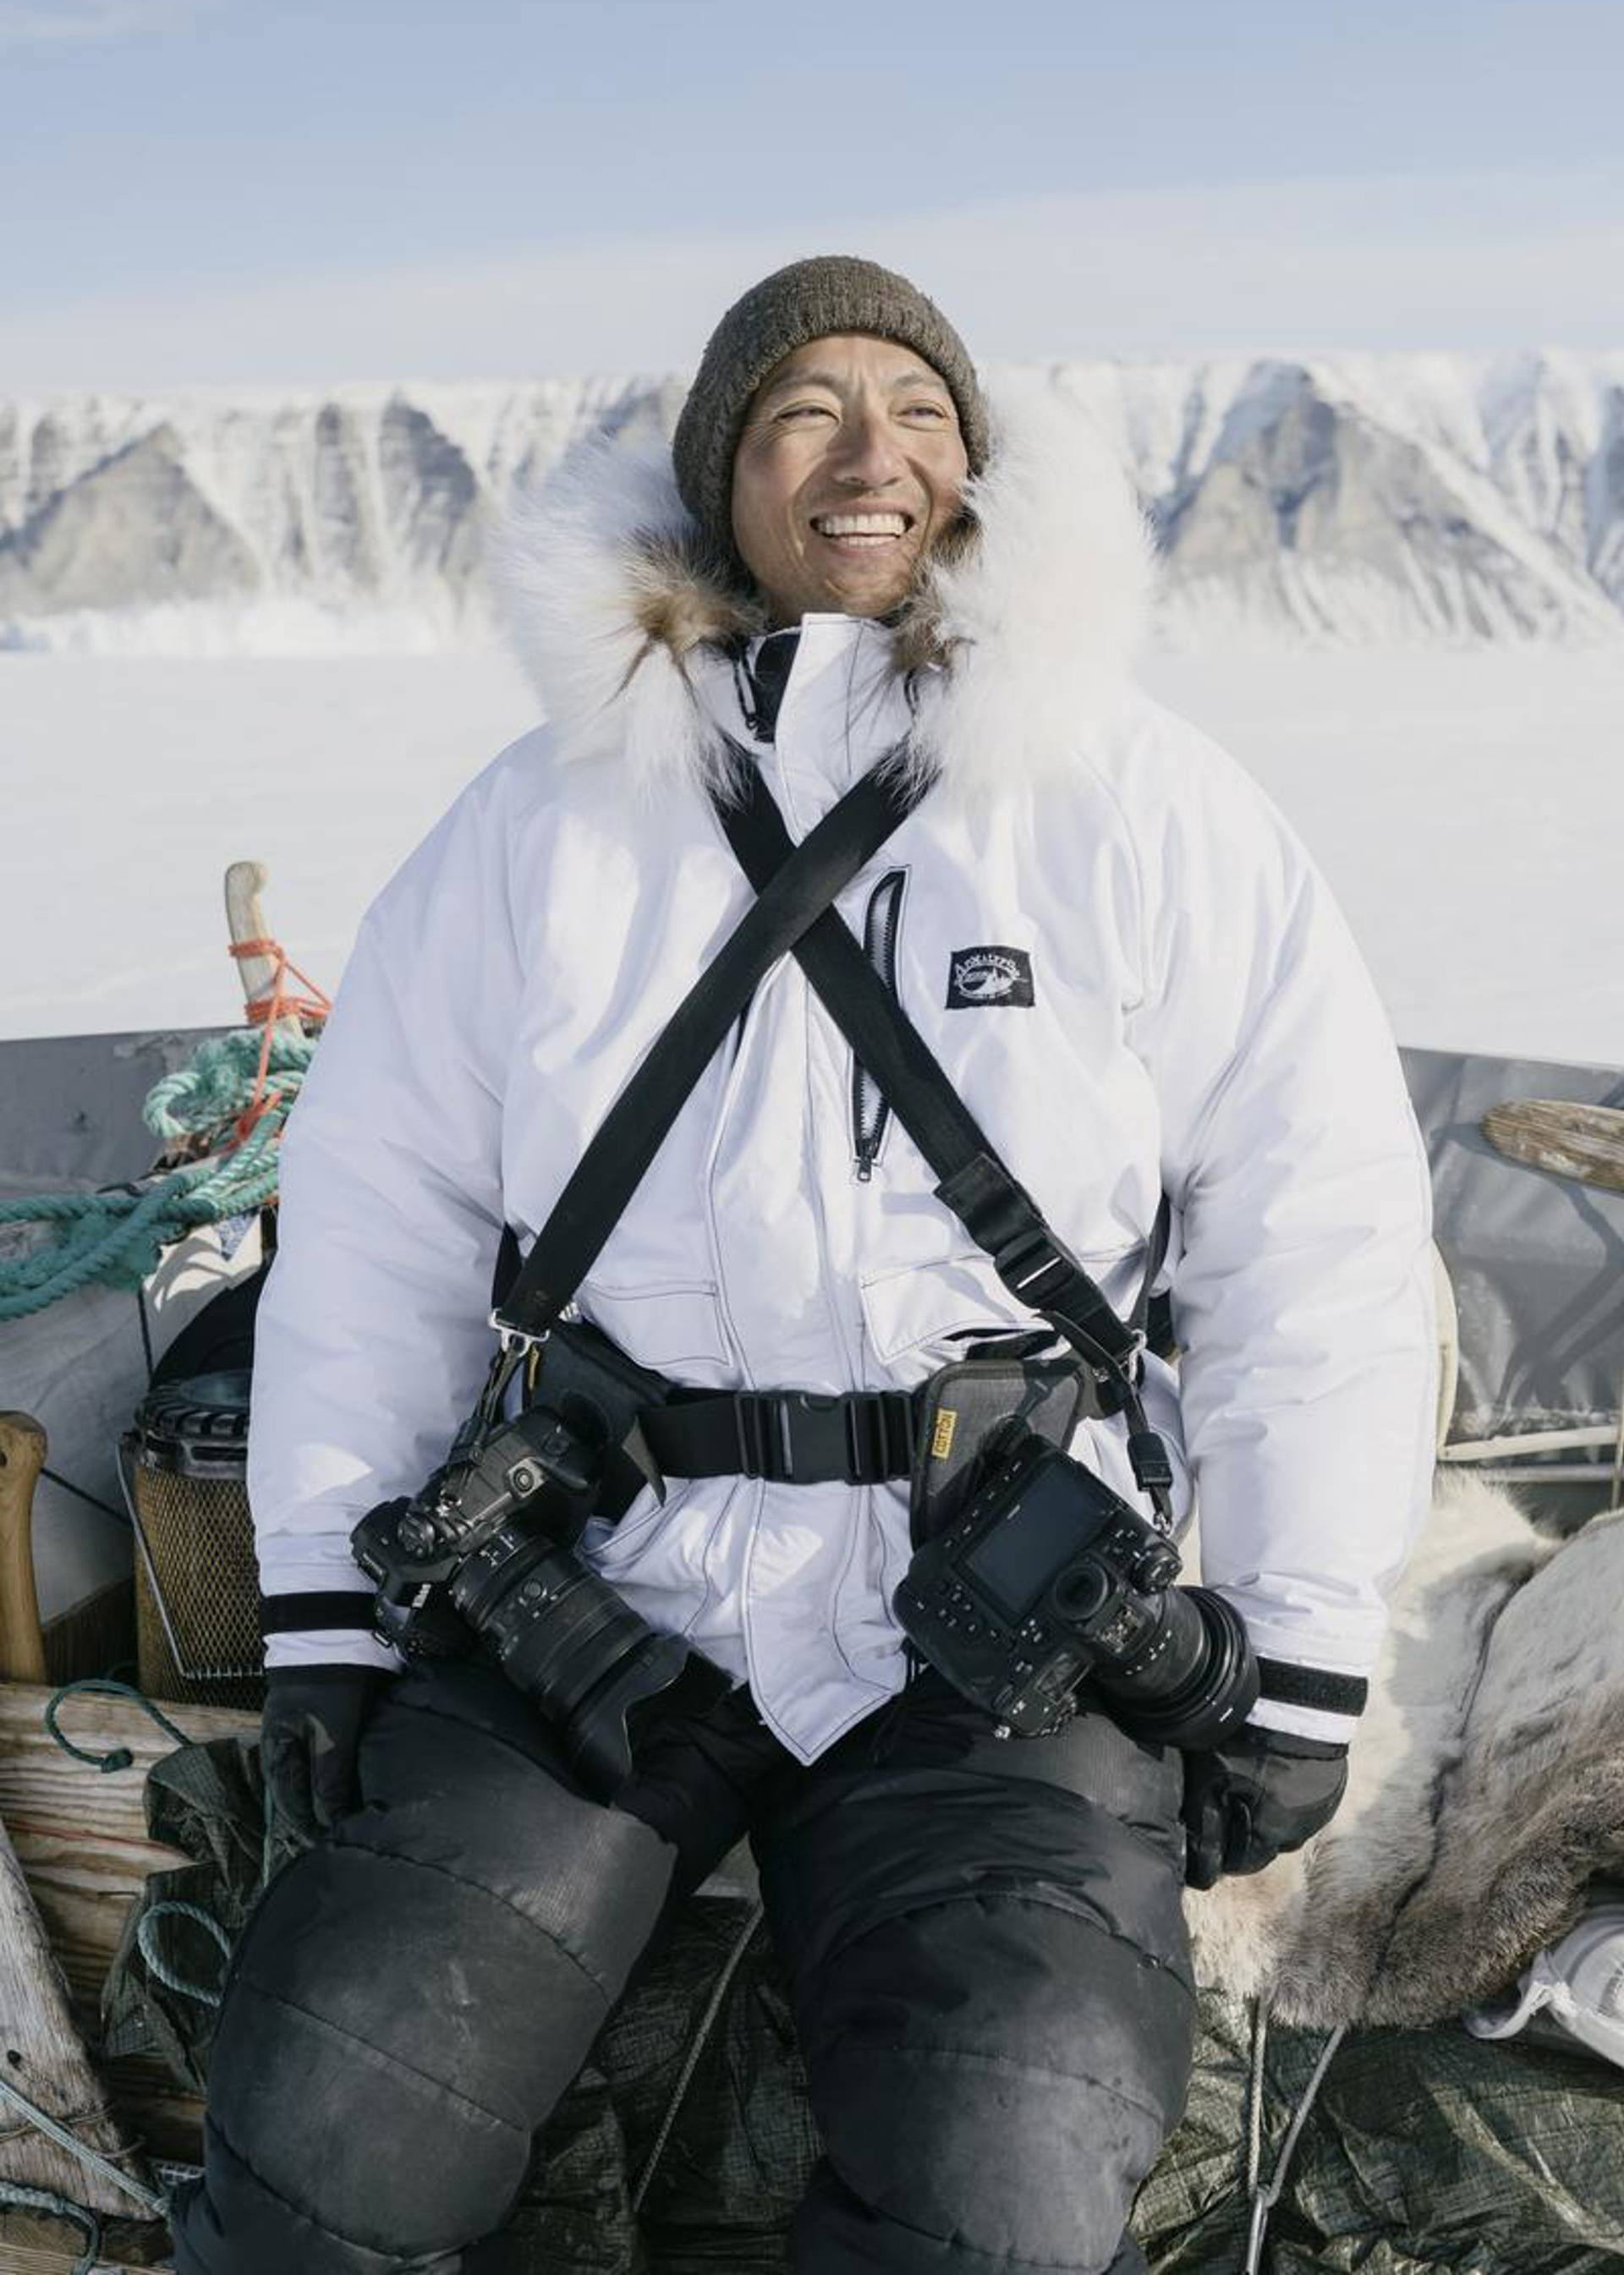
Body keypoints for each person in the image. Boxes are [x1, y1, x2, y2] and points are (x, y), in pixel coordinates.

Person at [172, 257, 1436, 2275]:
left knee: (1011, 2166)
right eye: (804, 414)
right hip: (605, 1582)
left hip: (997, 1623)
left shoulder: (1140, 803)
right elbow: (379, 1207)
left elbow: (1322, 1225)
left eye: (917, 410)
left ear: (976, 470)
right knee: (333, 2111)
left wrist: (1289, 1644)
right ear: (717, 481)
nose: (870, 452)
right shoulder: (539, 826)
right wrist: (329, 1589)